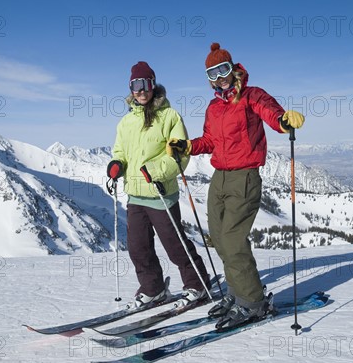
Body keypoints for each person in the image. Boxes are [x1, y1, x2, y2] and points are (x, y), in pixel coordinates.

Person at [168, 43, 305, 329]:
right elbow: (210, 141)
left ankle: (253, 302)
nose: (219, 77)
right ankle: (236, 292)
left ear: (233, 69)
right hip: (219, 178)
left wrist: (282, 121)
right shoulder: (214, 107)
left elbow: (270, 112)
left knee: (232, 239)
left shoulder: (251, 96)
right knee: (218, 237)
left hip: (244, 176)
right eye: (212, 73)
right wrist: (188, 145)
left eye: (223, 70)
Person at [107, 61, 211, 308]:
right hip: (134, 195)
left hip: (160, 193)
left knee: (175, 246)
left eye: (145, 84)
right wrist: (116, 164)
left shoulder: (170, 116)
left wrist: (155, 171)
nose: (141, 90)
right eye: (135, 85)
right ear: (130, 89)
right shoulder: (125, 123)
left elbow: (180, 155)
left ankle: (198, 286)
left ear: (153, 85)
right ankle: (153, 289)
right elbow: (120, 150)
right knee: (138, 249)